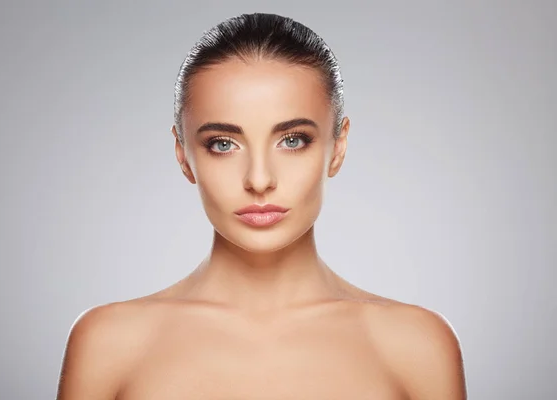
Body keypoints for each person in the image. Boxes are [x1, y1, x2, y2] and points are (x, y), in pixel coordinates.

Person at [56, 12, 467, 399]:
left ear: (337, 147)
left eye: (292, 140)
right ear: (183, 155)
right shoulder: (108, 343)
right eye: (223, 144)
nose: (258, 180)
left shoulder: (417, 345)